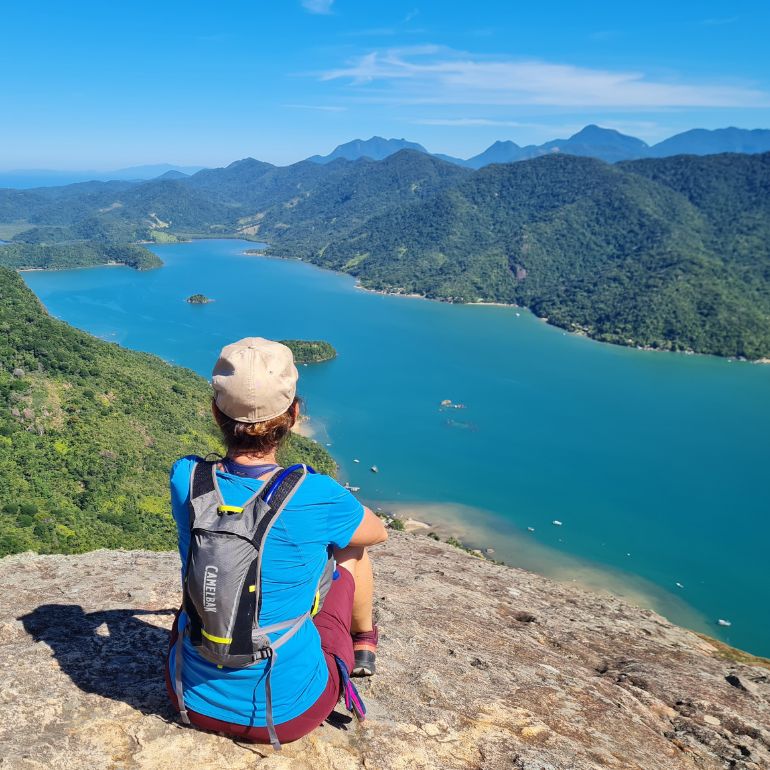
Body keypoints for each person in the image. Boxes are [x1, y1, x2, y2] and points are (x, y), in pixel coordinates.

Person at [164, 337, 387, 745]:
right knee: (351, 547)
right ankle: (364, 641)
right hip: (287, 713)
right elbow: (377, 532)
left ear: (216, 413)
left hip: (188, 699)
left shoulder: (187, 478)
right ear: (295, 414)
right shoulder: (315, 493)